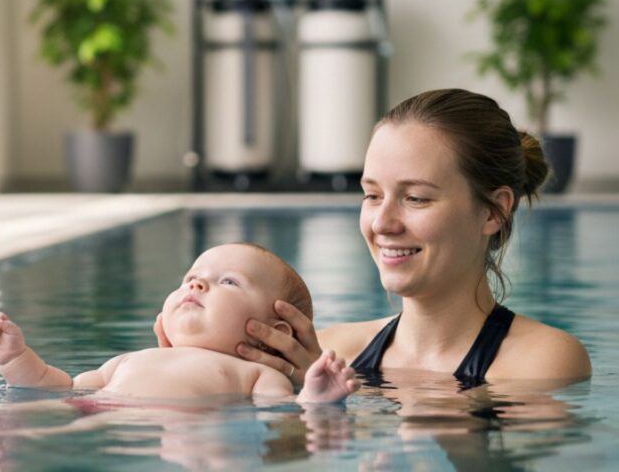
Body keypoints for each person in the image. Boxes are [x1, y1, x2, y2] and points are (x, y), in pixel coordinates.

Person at [223, 89, 592, 386]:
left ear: (493, 211)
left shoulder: (542, 361)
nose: (383, 223)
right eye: (372, 195)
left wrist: (341, 410)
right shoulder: (330, 351)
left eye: (415, 198)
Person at [0, 242, 359, 403]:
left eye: (227, 282)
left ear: (275, 334)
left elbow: (284, 414)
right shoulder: (129, 360)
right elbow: (57, 388)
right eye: (191, 277)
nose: (196, 283)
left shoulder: (254, 375)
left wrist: (315, 397)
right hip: (95, 417)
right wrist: (15, 358)